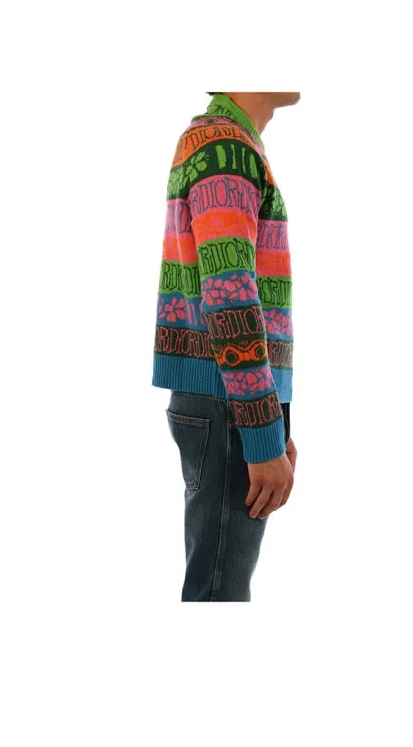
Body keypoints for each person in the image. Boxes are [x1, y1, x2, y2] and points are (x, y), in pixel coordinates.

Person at [152, 92, 301, 601]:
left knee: (217, 587)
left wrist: (274, 422)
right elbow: (229, 295)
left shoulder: (227, 142)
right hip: (230, 406)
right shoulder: (226, 147)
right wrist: (261, 431)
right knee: (219, 596)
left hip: (233, 402)